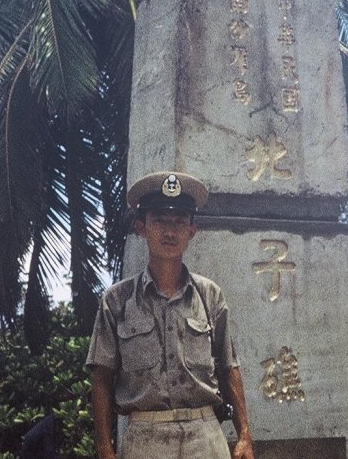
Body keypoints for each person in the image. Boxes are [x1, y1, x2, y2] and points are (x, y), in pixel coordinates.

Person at [86, 171, 254, 459]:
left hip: (205, 434)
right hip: (144, 436)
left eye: (179, 222)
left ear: (192, 231)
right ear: (141, 227)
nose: (170, 231)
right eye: (160, 220)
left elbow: (229, 367)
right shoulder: (116, 301)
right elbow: (101, 377)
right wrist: (104, 446)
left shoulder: (209, 295)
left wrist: (244, 436)